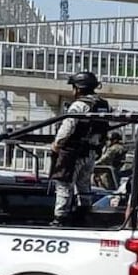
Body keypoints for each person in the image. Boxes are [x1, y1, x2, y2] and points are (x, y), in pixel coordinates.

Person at [51, 71, 110, 226]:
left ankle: (60, 218)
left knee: (64, 184)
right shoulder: (103, 105)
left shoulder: (79, 105)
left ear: (78, 88)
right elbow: (104, 130)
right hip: (91, 152)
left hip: (73, 152)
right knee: (84, 185)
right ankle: (84, 214)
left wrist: (56, 145)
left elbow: (67, 127)